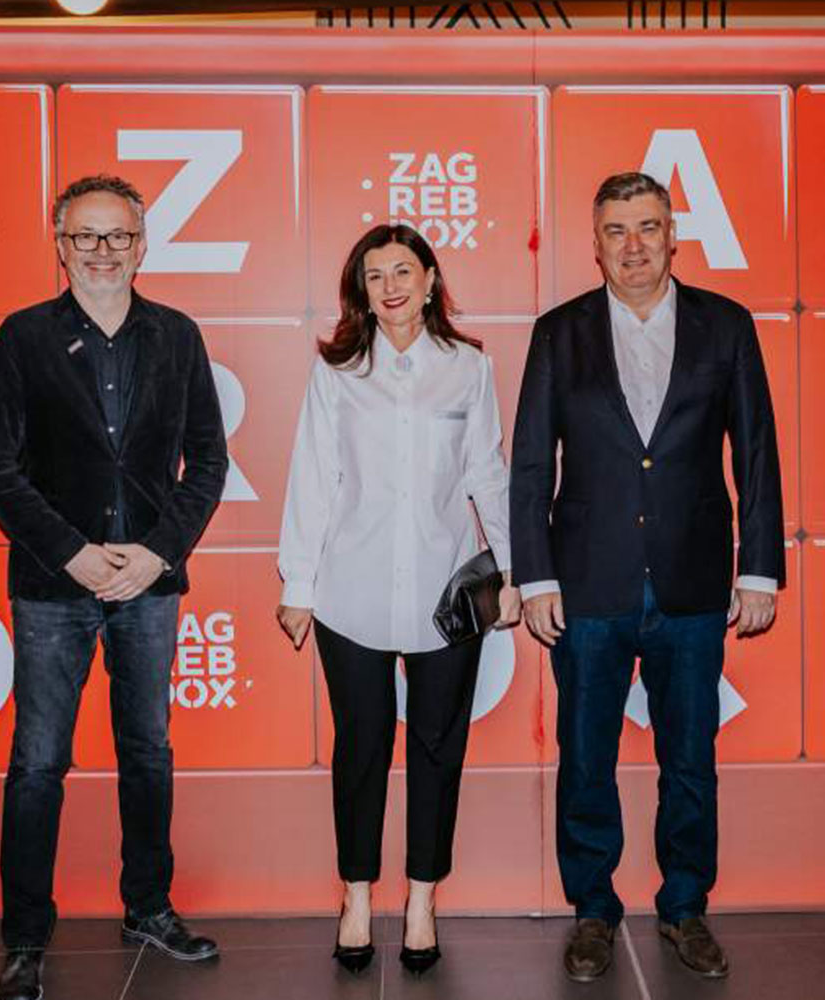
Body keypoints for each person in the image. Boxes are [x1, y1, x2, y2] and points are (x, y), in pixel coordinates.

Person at [510, 172, 785, 982]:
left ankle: (686, 906)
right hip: (587, 584)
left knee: (690, 757)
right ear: (595, 245)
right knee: (585, 758)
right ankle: (592, 910)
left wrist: (760, 569)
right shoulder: (559, 333)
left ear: (673, 236)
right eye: (616, 230)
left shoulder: (725, 326)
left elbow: (756, 454)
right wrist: (536, 579)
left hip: (694, 585)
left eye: (648, 227)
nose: (633, 245)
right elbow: (531, 464)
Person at [0, 174, 228, 1000]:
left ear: (142, 244)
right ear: (60, 245)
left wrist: (157, 553)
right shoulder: (23, 337)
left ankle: (148, 907)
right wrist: (70, 552)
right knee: (38, 761)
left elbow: (208, 461)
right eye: (86, 235)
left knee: (147, 752)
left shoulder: (177, 336)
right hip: (53, 589)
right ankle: (24, 938)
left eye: (118, 235)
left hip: (148, 586)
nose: (103, 250)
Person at [276, 224, 521, 976]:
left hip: (447, 595)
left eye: (403, 271)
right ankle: (355, 895)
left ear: (429, 279)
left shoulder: (468, 367)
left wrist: (515, 573)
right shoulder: (338, 371)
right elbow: (313, 476)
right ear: (361, 289)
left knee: (439, 748)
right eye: (375, 275)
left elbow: (489, 474)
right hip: (350, 592)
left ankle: (421, 900)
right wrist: (298, 584)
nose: (390, 287)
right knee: (361, 747)